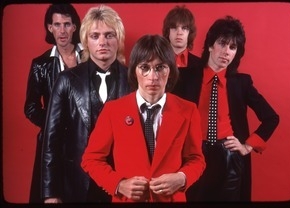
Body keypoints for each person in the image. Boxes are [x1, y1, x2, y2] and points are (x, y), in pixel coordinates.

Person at [81, 34, 206, 203]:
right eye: (145, 67)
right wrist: (119, 184)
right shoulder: (113, 111)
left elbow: (197, 159)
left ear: (170, 70)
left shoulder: (188, 110)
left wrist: (182, 178)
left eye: (160, 67)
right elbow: (91, 159)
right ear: (134, 71)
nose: (153, 77)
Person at [41, 5, 130, 203]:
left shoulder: (135, 79)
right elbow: (51, 141)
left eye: (109, 35)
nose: (102, 42)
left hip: (123, 182)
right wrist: (50, 193)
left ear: (119, 38)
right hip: (77, 182)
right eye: (95, 36)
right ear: (85, 40)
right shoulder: (66, 80)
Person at [185, 16, 279, 201]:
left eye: (232, 47)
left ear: (237, 53)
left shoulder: (241, 83)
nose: (226, 51)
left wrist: (247, 146)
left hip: (229, 158)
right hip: (194, 155)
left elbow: (271, 117)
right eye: (222, 43)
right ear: (211, 45)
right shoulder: (187, 77)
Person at [24, 4, 82, 203]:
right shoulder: (40, 64)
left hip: (86, 140)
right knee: (53, 196)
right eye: (57, 24)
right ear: (50, 28)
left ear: (75, 27)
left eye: (67, 24)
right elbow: (30, 107)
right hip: (53, 144)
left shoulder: (90, 57)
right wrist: (53, 126)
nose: (62, 30)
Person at [162, 5, 202, 101]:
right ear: (168, 32)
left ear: (190, 33)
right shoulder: (158, 62)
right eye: (174, 28)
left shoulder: (201, 65)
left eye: (184, 28)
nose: (179, 33)